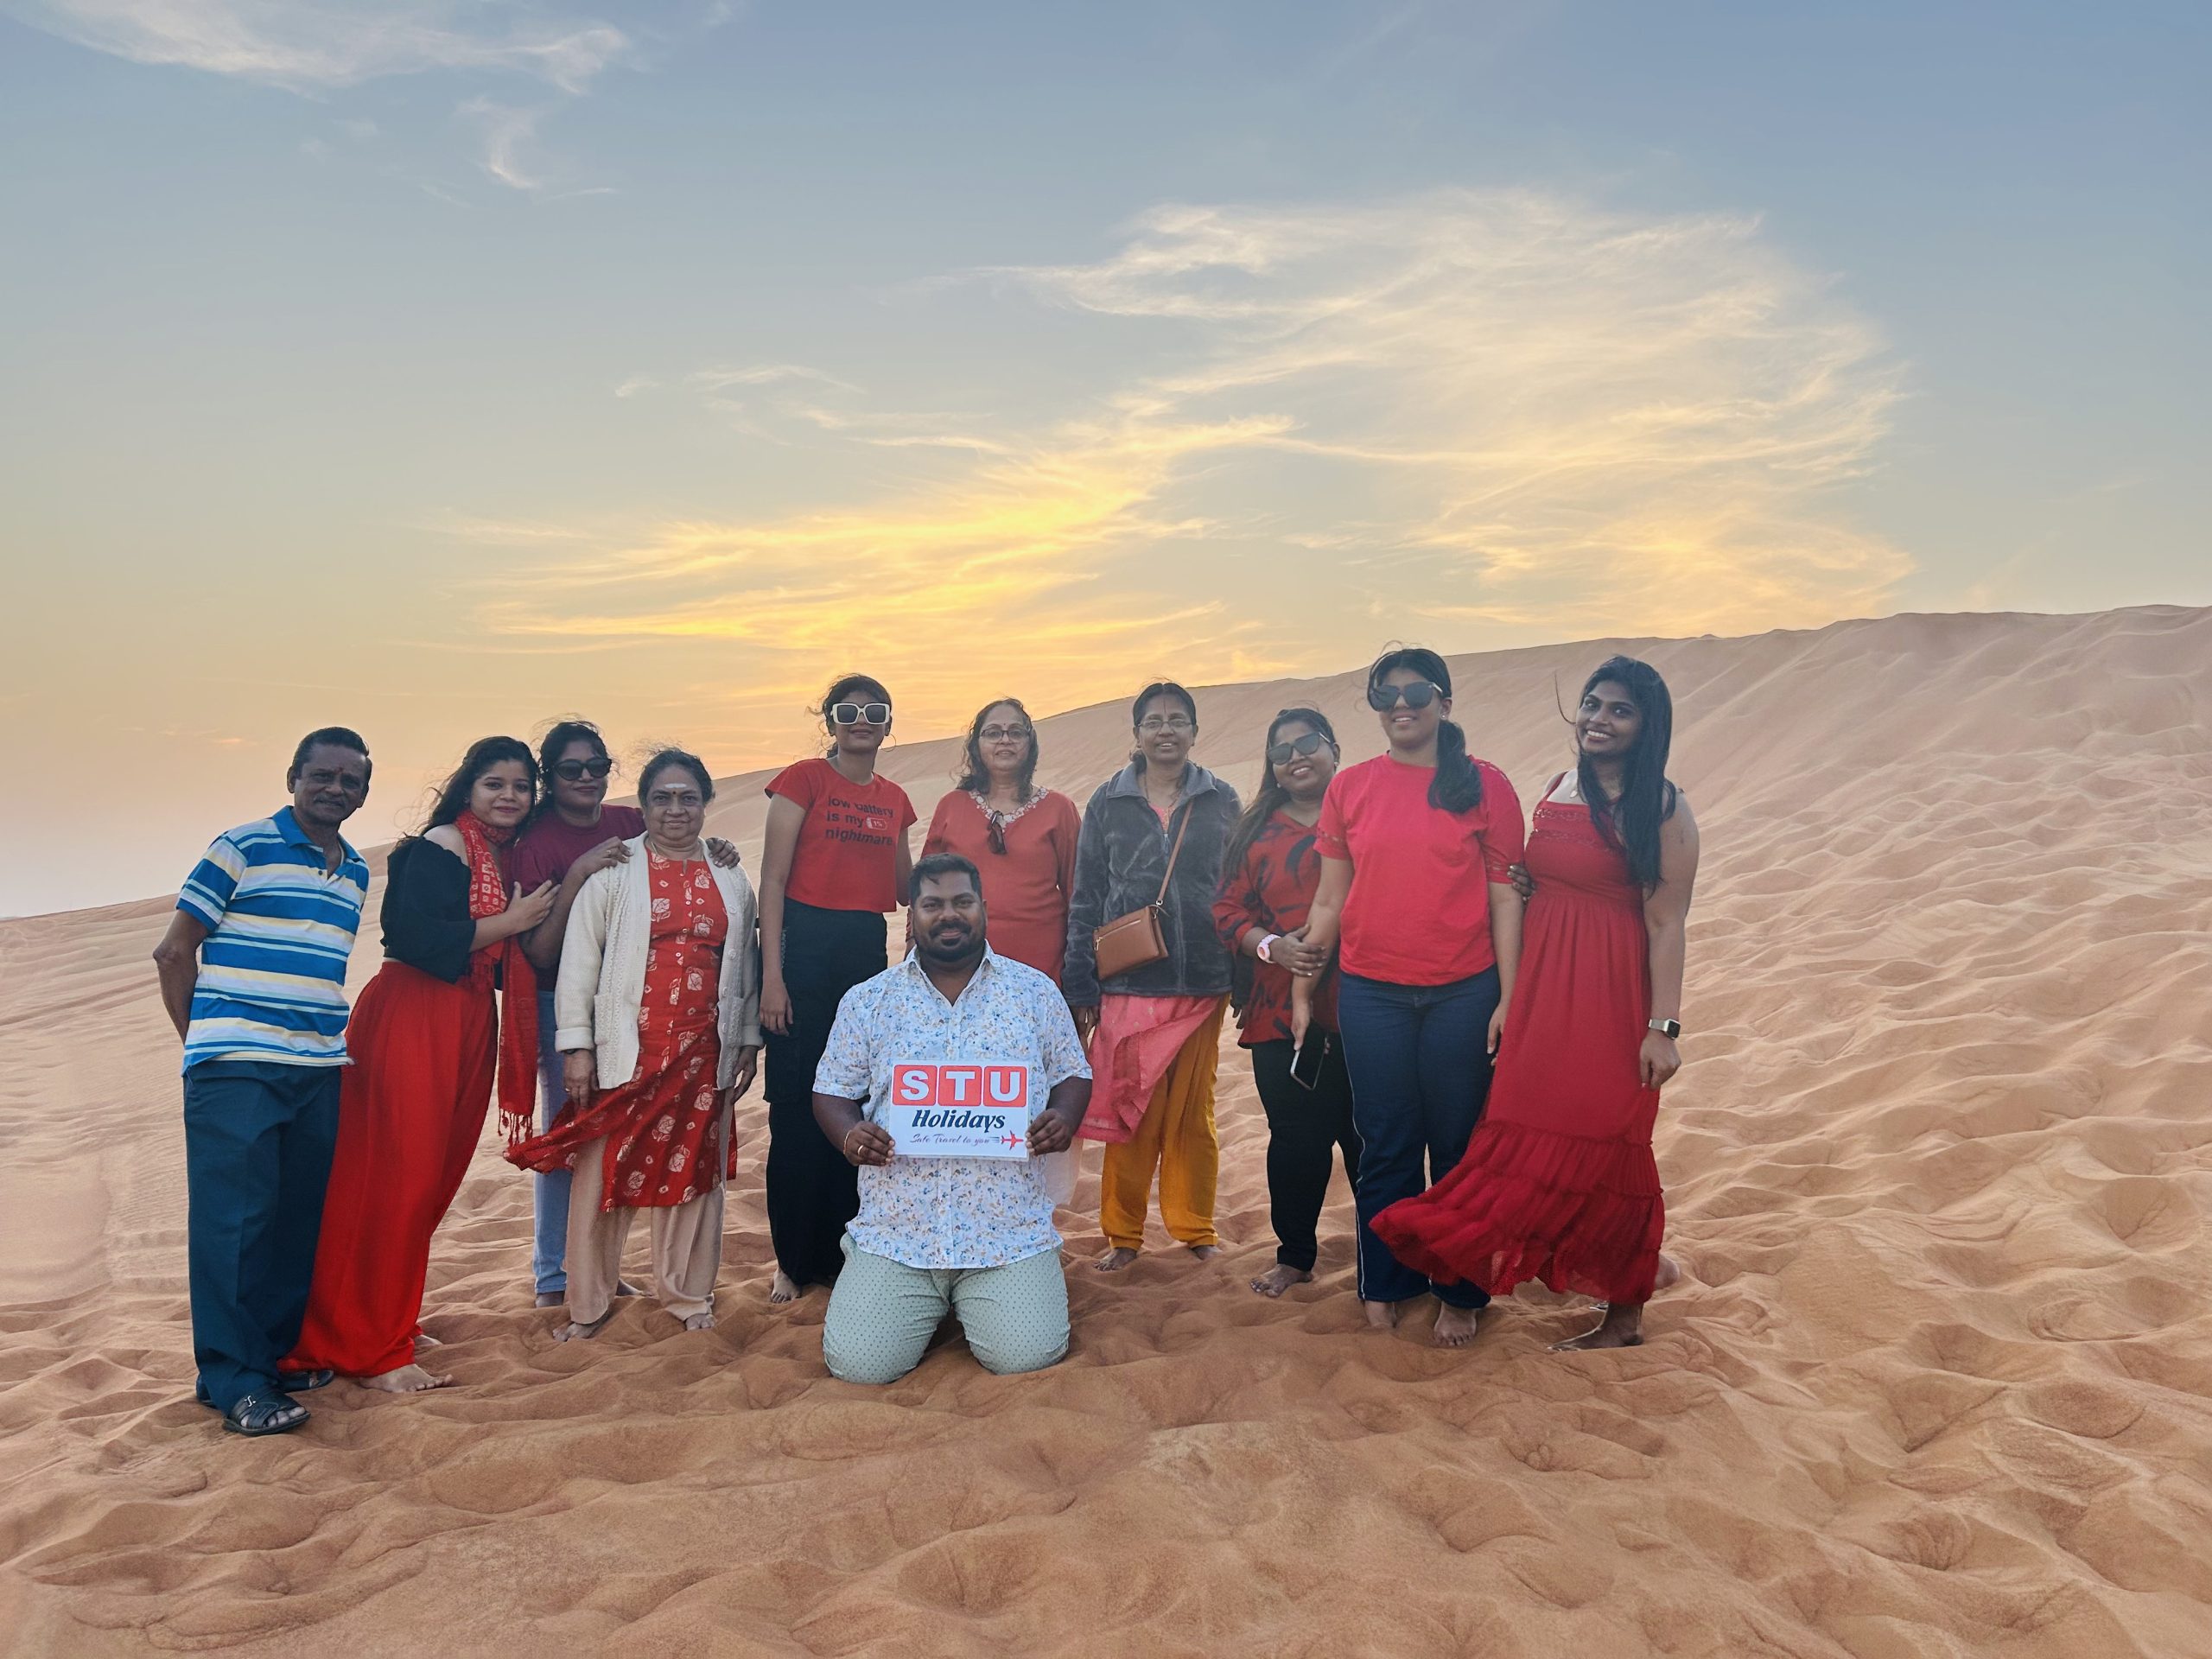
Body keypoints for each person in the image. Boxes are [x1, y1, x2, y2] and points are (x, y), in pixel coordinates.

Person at [1375, 658, 1699, 1349]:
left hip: (1611, 995)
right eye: (1593, 703)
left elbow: (1668, 922)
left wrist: (1662, 1028)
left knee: (1608, 1141)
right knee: (1519, 1122)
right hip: (1543, 987)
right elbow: (1534, 878)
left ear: (1647, 726)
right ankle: (1621, 1268)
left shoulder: (1663, 807)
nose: (1599, 719)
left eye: (1620, 710)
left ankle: (1625, 1315)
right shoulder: (1558, 785)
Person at [285, 736, 555, 1392]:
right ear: (468, 788)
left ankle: (386, 1320)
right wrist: (514, 919)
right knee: (394, 1181)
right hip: (413, 1015)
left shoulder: (497, 854)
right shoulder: (440, 845)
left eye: (521, 786)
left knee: (432, 1180)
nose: (510, 796)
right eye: (495, 784)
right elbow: (415, 938)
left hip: (466, 1017)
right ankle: (369, 1348)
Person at [1294, 647, 1524, 1346]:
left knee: (1456, 1146)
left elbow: (1505, 897)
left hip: (1463, 992)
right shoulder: (1351, 787)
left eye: (1416, 691)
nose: (1401, 704)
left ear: (1444, 702)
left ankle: (1460, 1290)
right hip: (1373, 994)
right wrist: (1304, 987)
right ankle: (1387, 1281)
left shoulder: (1486, 785)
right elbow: (1329, 899)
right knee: (1386, 1144)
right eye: (1384, 694)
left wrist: (1510, 996)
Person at [152, 729, 374, 1437]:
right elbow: (174, 951)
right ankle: (236, 1381)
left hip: (317, 1067)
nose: (335, 789)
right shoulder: (241, 846)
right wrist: (206, 1045)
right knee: (234, 1226)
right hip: (237, 1068)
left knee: (292, 1220)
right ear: (293, 778)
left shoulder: (356, 871)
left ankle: (267, 1361)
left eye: (350, 780)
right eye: (322, 775)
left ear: (363, 793)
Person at [508, 750, 762, 1341]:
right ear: (643, 806)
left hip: (704, 1052)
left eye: (688, 797)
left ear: (706, 803)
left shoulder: (730, 875)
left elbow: (743, 963)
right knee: (602, 1177)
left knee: (693, 1173)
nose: (676, 809)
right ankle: (588, 1303)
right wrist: (577, 1048)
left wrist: (747, 1038)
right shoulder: (615, 872)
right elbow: (579, 965)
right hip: (625, 1051)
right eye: (662, 798)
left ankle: (687, 1294)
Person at [814, 854, 1092, 1383]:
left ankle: (988, 1297)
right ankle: (920, 1299)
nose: (949, 914)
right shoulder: (869, 1000)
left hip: (1005, 1232)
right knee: (859, 1365)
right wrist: (850, 1134)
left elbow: (1072, 1073)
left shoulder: (1034, 992)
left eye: (962, 902)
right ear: (912, 914)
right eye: (933, 904)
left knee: (1027, 1356)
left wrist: (1063, 1116)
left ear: (983, 907)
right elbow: (831, 1090)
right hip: (899, 1232)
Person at [1064, 682, 1241, 1272]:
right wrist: (1080, 983)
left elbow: (1241, 888)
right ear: (1137, 733)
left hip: (1204, 979)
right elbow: (1086, 895)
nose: (1166, 731)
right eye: (1154, 721)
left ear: (1194, 730)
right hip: (1129, 981)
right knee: (1129, 1111)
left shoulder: (1221, 799)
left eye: (1177, 720)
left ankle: (1195, 1227)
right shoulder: (1107, 801)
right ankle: (1123, 1235)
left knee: (1193, 1113)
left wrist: (1243, 973)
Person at [758, 674, 917, 1303]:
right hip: (802, 945)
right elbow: (772, 881)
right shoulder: (803, 780)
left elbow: (905, 888)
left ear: (888, 723)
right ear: (830, 722)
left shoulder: (896, 799)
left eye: (874, 711)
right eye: (848, 712)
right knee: (797, 1107)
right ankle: (793, 1262)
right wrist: (772, 978)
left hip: (864, 948)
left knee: (854, 1100)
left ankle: (842, 1252)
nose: (861, 721)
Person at [1213, 709, 1360, 1298]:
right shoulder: (1256, 833)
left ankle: (1384, 1259)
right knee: (1296, 1141)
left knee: (1368, 1140)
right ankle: (1295, 1257)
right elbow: (1227, 912)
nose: (1296, 757)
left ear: (1334, 749)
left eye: (1307, 744)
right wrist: (1273, 947)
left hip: (1369, 1004)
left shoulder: (1366, 816)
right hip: (1278, 1012)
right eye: (1281, 751)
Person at [921, 698, 1082, 983]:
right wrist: (914, 941)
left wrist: (1081, 971)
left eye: (1016, 732)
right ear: (977, 745)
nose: (1005, 740)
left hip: (1044, 966)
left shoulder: (1059, 808)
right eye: (993, 732)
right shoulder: (951, 806)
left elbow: (1077, 893)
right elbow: (924, 887)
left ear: (1030, 743)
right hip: (961, 963)